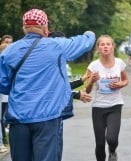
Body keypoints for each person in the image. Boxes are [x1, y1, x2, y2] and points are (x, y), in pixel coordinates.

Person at [0, 8, 95, 161]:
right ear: (45, 28)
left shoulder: (9, 51)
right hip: (47, 119)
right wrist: (89, 33)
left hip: (18, 120)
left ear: (24, 28)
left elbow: (3, 85)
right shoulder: (57, 46)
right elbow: (86, 42)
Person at [85, 35, 129, 161]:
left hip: (115, 105)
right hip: (98, 107)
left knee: (112, 139)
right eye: (102, 44)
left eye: (108, 44)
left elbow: (126, 80)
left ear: (113, 47)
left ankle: (113, 151)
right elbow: (87, 90)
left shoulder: (119, 63)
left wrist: (120, 84)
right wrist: (92, 81)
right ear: (98, 48)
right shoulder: (93, 66)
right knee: (99, 144)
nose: (105, 46)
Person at [0, 35, 13, 148]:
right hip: (3, 93)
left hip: (8, 95)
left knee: (6, 114)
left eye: (10, 42)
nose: (9, 44)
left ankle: (4, 135)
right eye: (7, 42)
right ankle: (3, 139)